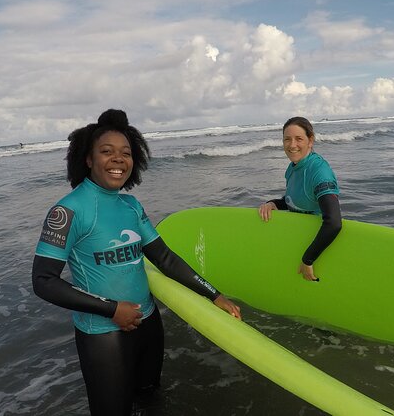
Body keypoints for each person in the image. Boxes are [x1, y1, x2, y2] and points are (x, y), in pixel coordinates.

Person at [32, 109, 241, 415]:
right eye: (106, 152)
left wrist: (214, 295)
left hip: (148, 323)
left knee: (151, 397)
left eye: (125, 153)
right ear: (88, 160)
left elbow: (165, 258)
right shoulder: (67, 212)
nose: (118, 159)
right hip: (103, 333)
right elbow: (43, 281)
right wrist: (111, 309)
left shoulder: (130, 205)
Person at [258, 116, 342, 281]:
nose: (292, 145)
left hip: (320, 248)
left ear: (310, 140)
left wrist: (308, 260)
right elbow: (295, 200)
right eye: (287, 139)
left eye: (299, 139)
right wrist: (274, 203)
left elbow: (333, 223)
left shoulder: (319, 172)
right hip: (299, 240)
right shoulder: (293, 168)